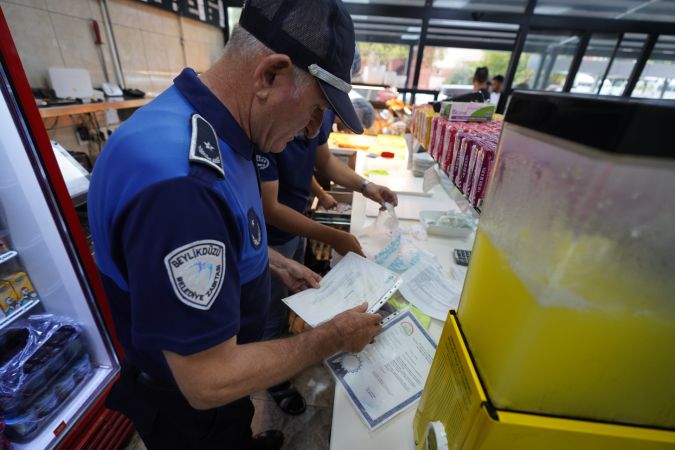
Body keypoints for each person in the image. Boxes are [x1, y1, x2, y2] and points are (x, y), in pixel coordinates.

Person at [87, 1, 382, 449]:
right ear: (270, 75)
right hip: (191, 410)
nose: (311, 131)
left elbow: (219, 231)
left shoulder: (217, 128)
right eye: (316, 108)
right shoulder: (185, 185)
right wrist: (332, 337)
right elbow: (207, 380)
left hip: (220, 388)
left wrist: (270, 261)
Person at [256, 99, 397, 414]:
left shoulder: (320, 110)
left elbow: (325, 160)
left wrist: (365, 185)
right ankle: (273, 377)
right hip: (267, 240)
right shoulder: (271, 126)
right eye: (312, 112)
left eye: (324, 115)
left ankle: (286, 353)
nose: (315, 124)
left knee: (295, 293)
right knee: (270, 309)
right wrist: (331, 235)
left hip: (295, 227)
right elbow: (271, 208)